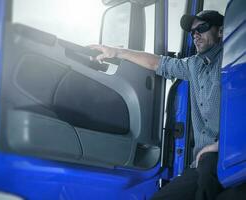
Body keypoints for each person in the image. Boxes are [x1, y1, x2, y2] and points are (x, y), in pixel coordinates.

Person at [90, 10, 224, 200]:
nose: (196, 34)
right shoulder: (194, 65)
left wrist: (218, 146)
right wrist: (117, 52)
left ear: (221, 31)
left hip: (225, 153)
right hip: (201, 161)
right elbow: (157, 63)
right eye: (192, 31)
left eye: (202, 28)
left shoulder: (235, 62)